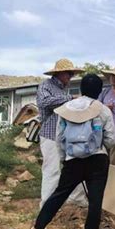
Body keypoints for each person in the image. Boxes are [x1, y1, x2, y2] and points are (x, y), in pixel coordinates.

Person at [26, 74, 115, 229]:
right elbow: (111, 139)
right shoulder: (103, 110)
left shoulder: (66, 108)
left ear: (81, 88)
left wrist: (64, 157)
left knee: (59, 194)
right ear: (99, 91)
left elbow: (59, 138)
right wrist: (101, 150)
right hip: (97, 160)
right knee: (95, 201)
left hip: (72, 160)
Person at [36, 58, 88, 208]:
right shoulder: (46, 86)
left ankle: (75, 198)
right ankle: (46, 205)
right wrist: (70, 98)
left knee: (72, 167)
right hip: (50, 135)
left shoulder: (62, 90)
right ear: (60, 73)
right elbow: (44, 102)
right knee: (52, 170)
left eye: (71, 74)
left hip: (65, 136)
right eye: (68, 74)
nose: (70, 77)